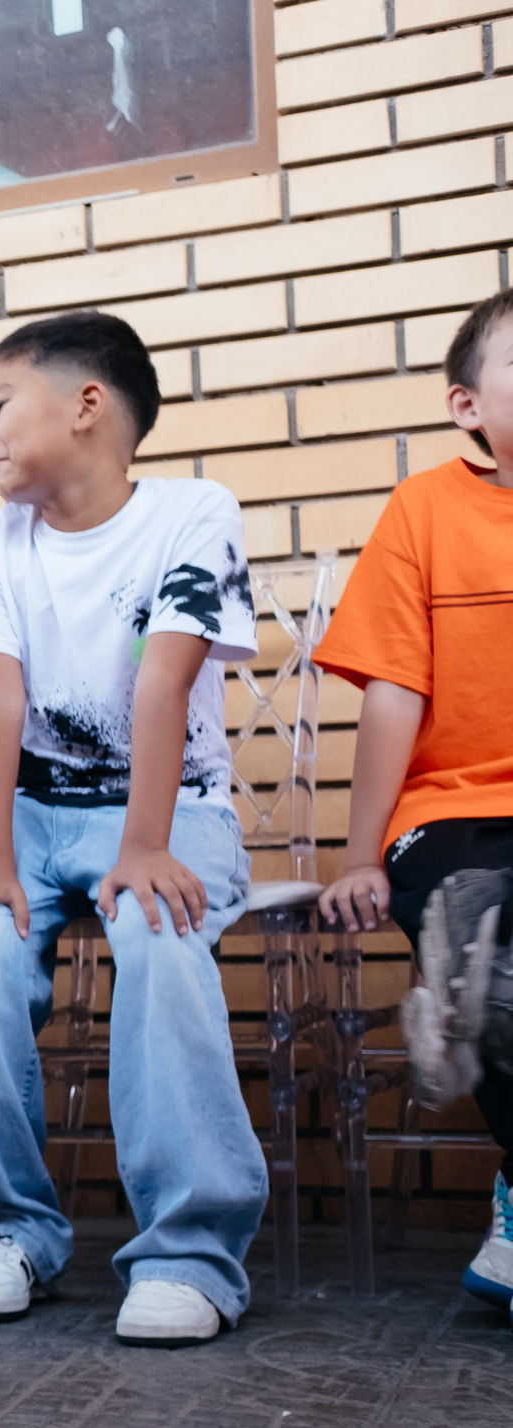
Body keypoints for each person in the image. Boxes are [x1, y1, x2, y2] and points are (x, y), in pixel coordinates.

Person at [0, 308, 268, 1349]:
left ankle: (187, 1254)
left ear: (85, 405)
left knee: (157, 938)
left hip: (172, 808)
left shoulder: (192, 512)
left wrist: (145, 844)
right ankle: (8, 1229)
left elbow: (164, 678)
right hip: (24, 819)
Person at [313, 287, 513, 1324]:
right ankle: (461, 953)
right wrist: (361, 856)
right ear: (464, 404)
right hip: (452, 811)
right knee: (483, 928)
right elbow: (395, 689)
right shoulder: (424, 510)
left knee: (503, 967)